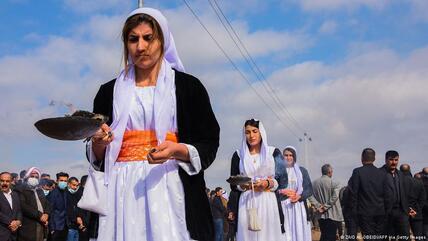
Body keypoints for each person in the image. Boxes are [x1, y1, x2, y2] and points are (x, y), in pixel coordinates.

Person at [87, 7, 220, 241]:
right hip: (120, 189)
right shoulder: (108, 92)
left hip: (170, 184)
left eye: (149, 38)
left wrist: (178, 150)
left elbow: (209, 141)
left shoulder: (189, 88)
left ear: (163, 39)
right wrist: (99, 143)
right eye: (133, 39)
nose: (141, 47)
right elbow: (96, 151)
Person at [228, 119, 285, 241]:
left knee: (268, 235)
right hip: (247, 202)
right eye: (247, 132)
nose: (251, 135)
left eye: (254, 131)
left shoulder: (273, 152)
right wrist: (243, 185)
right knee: (247, 234)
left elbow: (282, 180)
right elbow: (233, 183)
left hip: (268, 201)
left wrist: (267, 183)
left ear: (261, 133)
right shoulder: (238, 155)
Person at [347, 148, 391, 241]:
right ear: (374, 159)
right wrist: (387, 211)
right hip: (381, 212)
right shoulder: (382, 174)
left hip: (364, 212)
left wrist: (354, 212)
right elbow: (388, 195)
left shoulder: (357, 172)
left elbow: (353, 193)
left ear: (362, 158)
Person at [279, 146, 312, 241]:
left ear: (294, 157)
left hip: (298, 207)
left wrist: (299, 196)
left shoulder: (302, 171)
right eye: (286, 155)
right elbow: (273, 188)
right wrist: (282, 191)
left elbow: (309, 189)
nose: (288, 157)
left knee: (299, 232)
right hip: (283, 206)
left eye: (291, 155)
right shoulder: (278, 171)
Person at [380, 150, 411, 240]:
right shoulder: (379, 173)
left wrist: (408, 208)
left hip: (401, 212)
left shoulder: (401, 175)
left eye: (396, 160)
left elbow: (406, 193)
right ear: (386, 160)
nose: (394, 162)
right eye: (391, 160)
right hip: (385, 212)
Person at [14, 167, 50, 241]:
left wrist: (46, 214)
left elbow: (47, 204)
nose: (34, 178)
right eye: (32, 176)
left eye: (36, 177)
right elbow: (23, 206)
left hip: (41, 224)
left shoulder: (40, 190)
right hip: (28, 226)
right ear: (27, 177)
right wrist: (40, 215)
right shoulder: (20, 189)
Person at [310, 164, 343, 241]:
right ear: (330, 172)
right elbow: (335, 197)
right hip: (332, 214)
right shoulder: (335, 182)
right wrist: (325, 207)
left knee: (324, 234)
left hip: (320, 214)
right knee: (330, 236)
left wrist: (318, 206)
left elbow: (310, 196)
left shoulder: (313, 183)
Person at [400, 165, 426, 240]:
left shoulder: (398, 182)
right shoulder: (419, 182)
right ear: (410, 170)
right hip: (416, 213)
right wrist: (416, 210)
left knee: (404, 237)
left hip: (402, 213)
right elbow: (422, 199)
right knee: (419, 236)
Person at [47, 172, 69, 241]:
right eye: (61, 180)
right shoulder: (53, 194)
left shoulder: (66, 192)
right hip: (56, 227)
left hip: (65, 226)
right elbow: (50, 211)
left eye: (65, 181)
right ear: (57, 181)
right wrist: (52, 228)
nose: (63, 182)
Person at [0, 172, 22, 241]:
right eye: (2, 181)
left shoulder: (15, 194)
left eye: (7, 181)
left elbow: (19, 210)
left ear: (11, 182)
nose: (4, 183)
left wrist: (18, 221)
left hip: (14, 234)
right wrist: (11, 223)